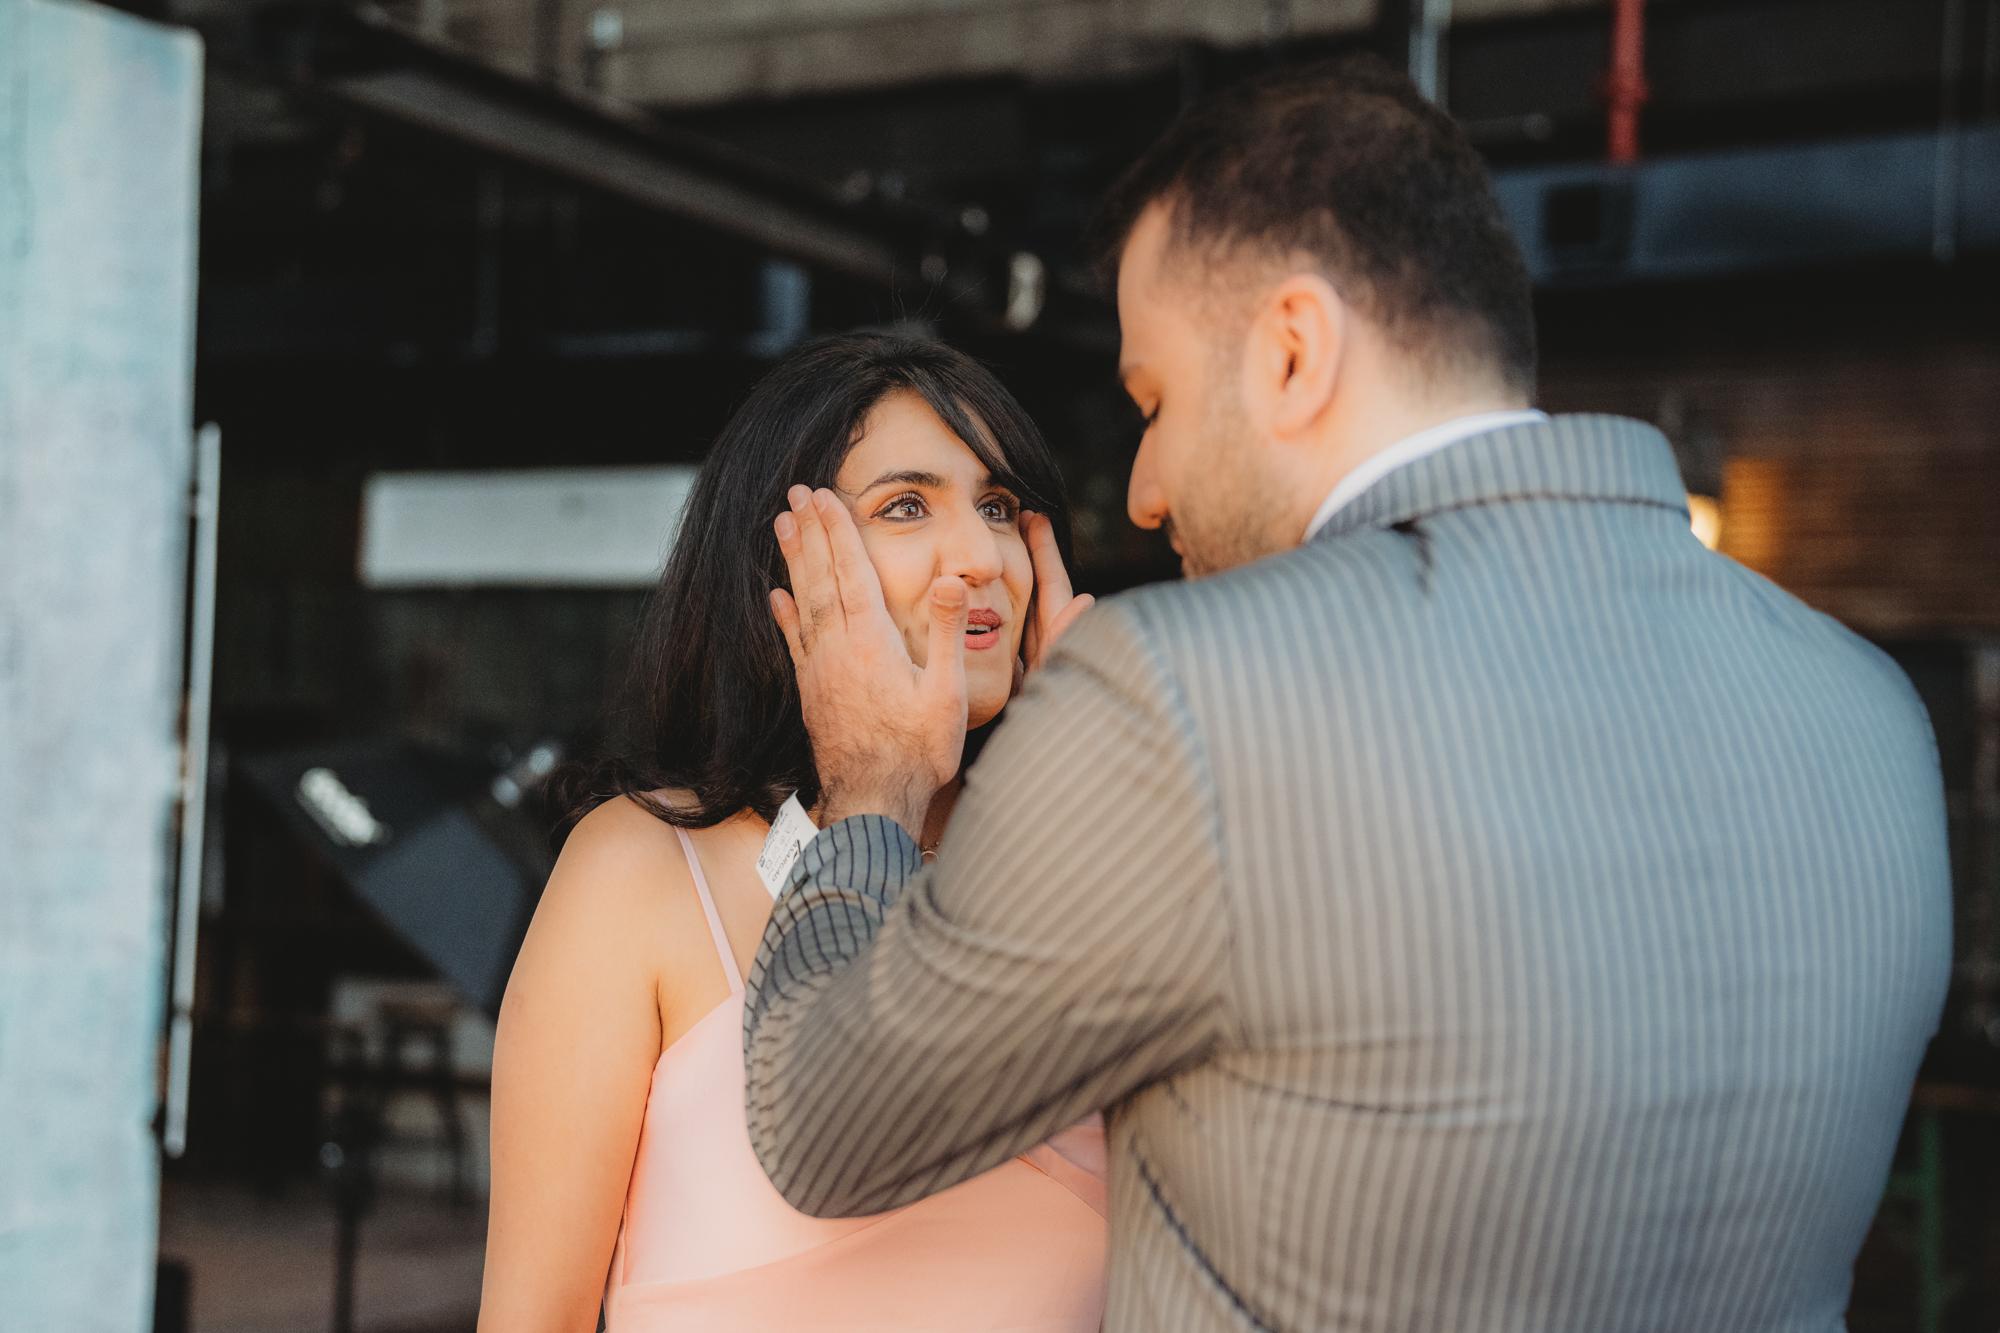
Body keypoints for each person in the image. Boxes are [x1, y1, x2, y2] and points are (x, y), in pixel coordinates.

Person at [742, 57, 1954, 1332]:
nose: (1142, 491)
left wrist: (873, 782)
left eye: (1154, 400)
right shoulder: (1869, 712)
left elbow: (825, 1129)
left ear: (1291, 353)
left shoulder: (1175, 700)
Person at [478, 334, 1107, 1332]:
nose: (981, 558)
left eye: (998, 506)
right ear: (776, 570)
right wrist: (877, 783)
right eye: (906, 506)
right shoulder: (638, 870)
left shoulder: (1102, 870)